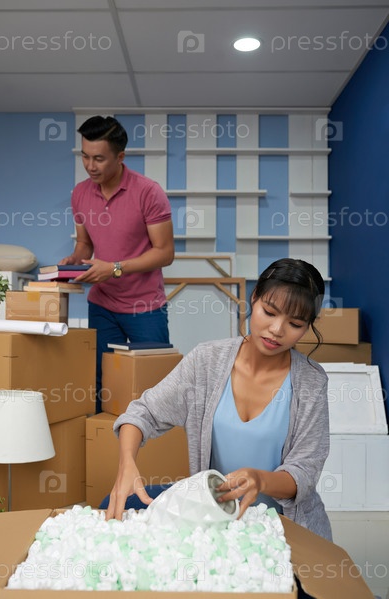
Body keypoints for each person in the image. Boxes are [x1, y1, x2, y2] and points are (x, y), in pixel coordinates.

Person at [105, 258, 332, 541]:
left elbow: (305, 472)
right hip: (216, 521)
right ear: (254, 298)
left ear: (307, 326)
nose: (277, 329)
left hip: (283, 531)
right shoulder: (207, 361)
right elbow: (144, 412)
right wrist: (127, 464)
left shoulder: (311, 382)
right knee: (116, 506)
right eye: (269, 312)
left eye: (295, 323)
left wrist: (260, 480)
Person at [60, 116, 174, 413]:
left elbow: (165, 253)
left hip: (145, 306)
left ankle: (154, 441)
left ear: (120, 157)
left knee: (154, 383)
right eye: (85, 156)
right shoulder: (80, 193)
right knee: (103, 381)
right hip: (102, 305)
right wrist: (74, 260)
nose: (90, 165)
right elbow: (85, 243)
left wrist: (114, 268)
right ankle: (104, 439)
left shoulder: (148, 192)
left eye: (99, 158)